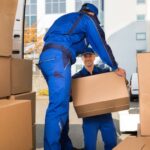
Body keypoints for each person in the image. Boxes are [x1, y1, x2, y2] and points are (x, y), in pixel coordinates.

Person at [38, 3, 126, 150]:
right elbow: (100, 44)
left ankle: (65, 146)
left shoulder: (67, 19)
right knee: (58, 107)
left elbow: (57, 39)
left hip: (46, 58)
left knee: (61, 104)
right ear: (93, 15)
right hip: (59, 59)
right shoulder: (87, 20)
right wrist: (114, 66)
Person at [72, 47, 117, 150]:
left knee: (112, 143)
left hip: (105, 115)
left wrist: (120, 74)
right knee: (90, 147)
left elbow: (114, 86)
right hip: (89, 118)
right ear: (82, 58)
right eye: (85, 56)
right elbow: (71, 97)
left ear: (94, 57)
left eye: (90, 55)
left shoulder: (104, 73)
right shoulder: (76, 78)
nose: (88, 58)